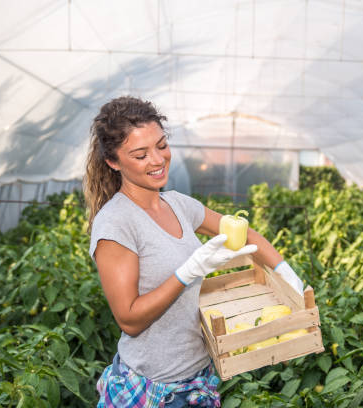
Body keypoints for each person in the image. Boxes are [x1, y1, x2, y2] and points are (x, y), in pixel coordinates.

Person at [84, 96, 304, 407]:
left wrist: (287, 275)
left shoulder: (178, 204)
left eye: (161, 145)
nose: (158, 160)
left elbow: (246, 235)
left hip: (197, 379)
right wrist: (189, 271)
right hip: (155, 389)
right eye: (140, 154)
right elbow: (129, 320)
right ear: (113, 161)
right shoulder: (116, 223)